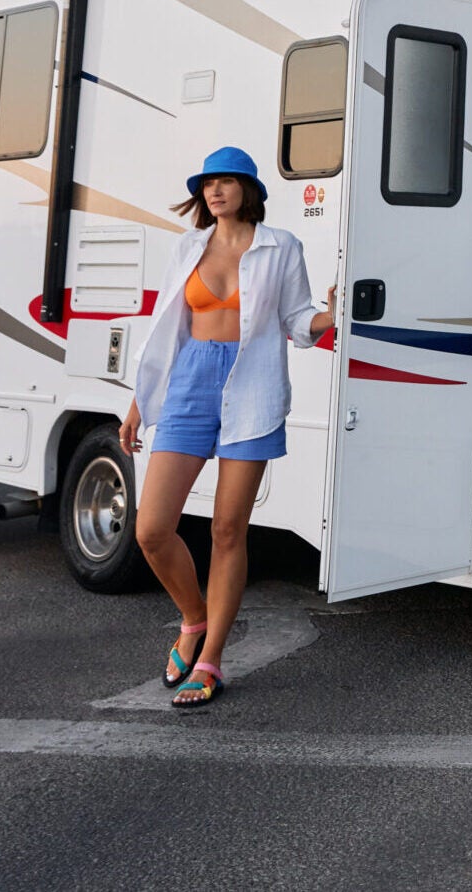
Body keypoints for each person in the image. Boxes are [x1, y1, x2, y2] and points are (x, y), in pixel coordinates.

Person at [119, 146, 333, 709]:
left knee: (227, 531)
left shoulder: (280, 245)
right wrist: (140, 401)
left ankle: (210, 659)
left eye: (225, 182)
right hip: (189, 381)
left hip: (251, 385)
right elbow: (166, 324)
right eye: (207, 184)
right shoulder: (187, 246)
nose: (215, 192)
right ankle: (193, 619)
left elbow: (294, 319)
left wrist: (327, 318)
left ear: (248, 189)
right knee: (152, 528)